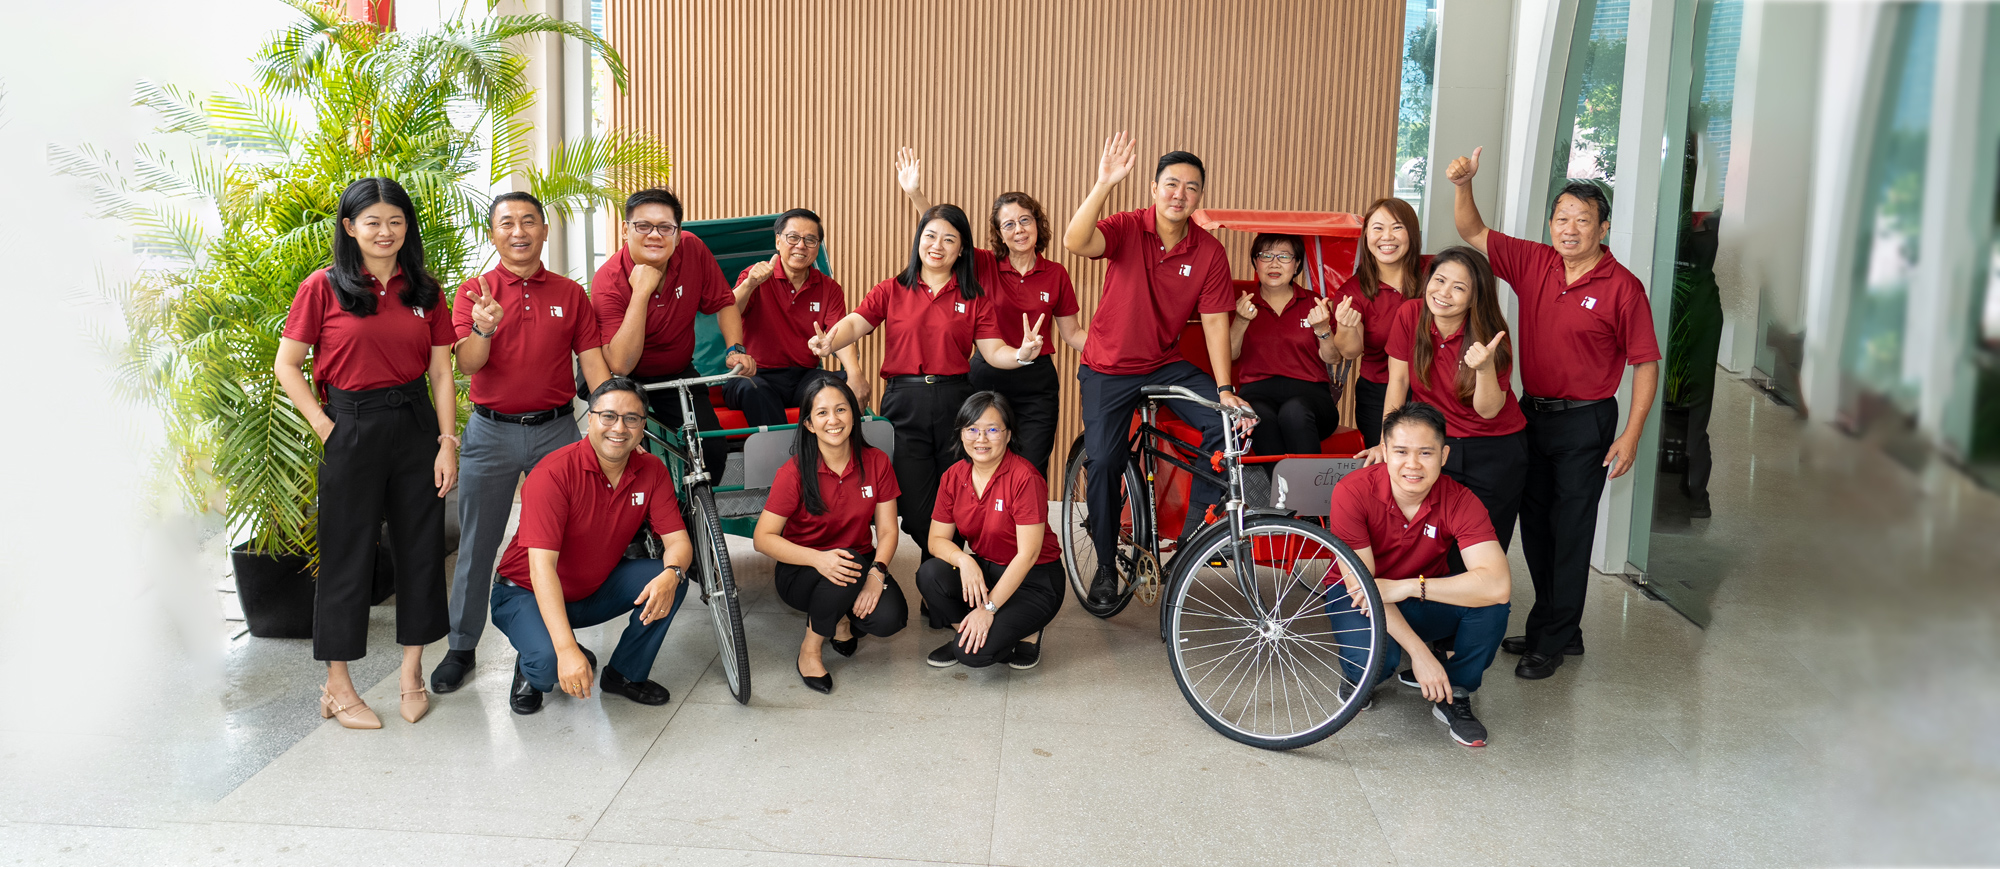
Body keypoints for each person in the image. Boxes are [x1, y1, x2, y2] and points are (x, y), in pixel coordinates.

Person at [1447, 148, 1661, 679]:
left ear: (1603, 228)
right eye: (1562, 218)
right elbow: (1473, 230)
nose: (1570, 228)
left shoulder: (1624, 288)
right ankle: (1559, 626)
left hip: (1586, 422)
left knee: (1569, 531)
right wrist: (1464, 184)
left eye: (1583, 220)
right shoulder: (1536, 262)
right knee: (1537, 527)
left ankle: (1555, 638)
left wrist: (1631, 433)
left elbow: (1646, 364)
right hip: (1530, 417)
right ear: (1551, 223)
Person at [274, 176, 457, 729]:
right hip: (350, 428)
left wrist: (447, 442)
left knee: (421, 551)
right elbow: (288, 364)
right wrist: (324, 426)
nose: (385, 231)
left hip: (416, 427)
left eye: (396, 221)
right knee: (347, 556)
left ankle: (410, 674)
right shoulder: (322, 287)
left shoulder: (424, 289)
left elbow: (443, 371)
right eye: (373, 222)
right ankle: (337, 687)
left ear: (408, 228)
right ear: (350, 227)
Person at [431, 192, 613, 695]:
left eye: (528, 221)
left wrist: (611, 411)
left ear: (544, 231)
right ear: (493, 234)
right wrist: (485, 327)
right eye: (506, 223)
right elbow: (467, 364)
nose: (518, 231)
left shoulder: (570, 294)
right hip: (490, 433)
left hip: (557, 429)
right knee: (478, 542)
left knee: (561, 539)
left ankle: (547, 643)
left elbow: (592, 361)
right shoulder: (475, 291)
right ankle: (461, 646)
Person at [1062, 132, 1253, 608]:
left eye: (1191, 187)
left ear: (1200, 197)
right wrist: (1104, 181)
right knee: (1105, 462)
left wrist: (1225, 388)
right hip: (1108, 366)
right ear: (1153, 188)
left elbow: (1214, 323)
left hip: (1164, 363)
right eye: (1171, 184)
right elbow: (1075, 240)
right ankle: (1106, 565)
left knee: (1225, 425)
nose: (1179, 194)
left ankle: (1194, 538)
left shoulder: (1208, 251)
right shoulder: (1127, 227)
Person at [807, 204, 1045, 563]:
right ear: (919, 240)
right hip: (905, 401)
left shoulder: (973, 296)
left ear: (961, 249)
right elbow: (857, 322)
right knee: (917, 508)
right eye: (930, 236)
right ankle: (942, 564)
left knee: (958, 498)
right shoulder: (892, 288)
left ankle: (938, 582)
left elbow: (994, 351)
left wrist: (1023, 354)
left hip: (956, 402)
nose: (938, 245)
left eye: (949, 239)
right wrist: (831, 341)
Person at [489, 377, 693, 715]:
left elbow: (678, 542)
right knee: (550, 661)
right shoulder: (553, 473)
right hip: (525, 592)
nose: (619, 427)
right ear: (590, 419)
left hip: (592, 589)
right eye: (608, 416)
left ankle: (624, 674)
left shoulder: (651, 470)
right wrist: (567, 649)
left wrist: (671, 574)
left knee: (671, 580)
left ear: (643, 427)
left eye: (632, 418)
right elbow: (541, 570)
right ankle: (532, 659)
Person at [1325, 401, 1513, 747]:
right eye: (1400, 451)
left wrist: (1408, 586)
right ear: (1384, 451)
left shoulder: (1461, 500)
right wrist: (1421, 654)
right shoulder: (1352, 492)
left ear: (1443, 455)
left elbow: (1497, 584)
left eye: (1425, 453)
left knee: (1492, 605)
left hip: (1416, 594)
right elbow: (1365, 588)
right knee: (1378, 663)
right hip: (1354, 595)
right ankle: (1358, 678)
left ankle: (1454, 691)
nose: (1412, 464)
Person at [894, 149, 1088, 477]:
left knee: (1030, 469)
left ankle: (1023, 528)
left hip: (1036, 383)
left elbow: (1072, 333)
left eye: (1025, 220)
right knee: (982, 467)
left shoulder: (1056, 274)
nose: (1019, 230)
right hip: (986, 377)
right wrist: (915, 193)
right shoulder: (983, 264)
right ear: (999, 233)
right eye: (1008, 224)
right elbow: (943, 234)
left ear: (1037, 223)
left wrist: (1115, 351)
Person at [752, 375, 911, 694]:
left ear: (854, 413)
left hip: (857, 563)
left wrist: (877, 574)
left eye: (841, 409)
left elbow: (889, 529)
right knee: (846, 563)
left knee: (890, 618)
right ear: (809, 424)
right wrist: (818, 559)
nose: (833, 420)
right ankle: (810, 649)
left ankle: (840, 619)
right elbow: (763, 538)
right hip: (801, 569)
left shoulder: (877, 462)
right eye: (822, 413)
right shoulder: (794, 472)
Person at [594, 188, 757, 481]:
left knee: (712, 450)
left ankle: (688, 518)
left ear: (678, 233)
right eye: (643, 226)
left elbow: (724, 302)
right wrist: (641, 291)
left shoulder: (692, 249)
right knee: (628, 459)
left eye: (665, 227)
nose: (654, 235)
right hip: (624, 376)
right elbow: (620, 364)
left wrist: (736, 347)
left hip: (676, 369)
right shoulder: (608, 280)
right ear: (625, 230)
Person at [1376, 246, 1527, 561]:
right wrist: (1388, 443)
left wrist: (1484, 369)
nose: (1443, 293)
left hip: (1492, 451)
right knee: (1429, 549)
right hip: (1435, 445)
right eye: (1439, 280)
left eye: (1458, 287)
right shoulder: (1410, 314)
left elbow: (1489, 410)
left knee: (1478, 553)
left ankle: (1481, 609)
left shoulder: (1490, 334)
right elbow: (1398, 383)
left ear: (1475, 297)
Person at [917, 392, 1065, 670]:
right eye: (972, 429)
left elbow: (1028, 555)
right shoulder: (953, 476)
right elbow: (936, 541)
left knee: (973, 656)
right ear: (961, 434)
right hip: (988, 569)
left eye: (992, 430)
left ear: (1008, 435)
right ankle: (969, 632)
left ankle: (1025, 632)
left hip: (1035, 580)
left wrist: (987, 609)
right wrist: (964, 560)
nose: (980, 439)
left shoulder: (1025, 478)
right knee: (930, 573)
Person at [722, 209, 869, 426]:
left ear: (818, 247)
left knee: (841, 384)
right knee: (753, 388)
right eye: (793, 238)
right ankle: (781, 458)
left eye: (810, 240)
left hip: (804, 376)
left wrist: (855, 375)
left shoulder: (829, 288)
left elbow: (840, 334)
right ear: (778, 241)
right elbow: (729, 309)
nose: (801, 245)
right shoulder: (754, 275)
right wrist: (749, 284)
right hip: (754, 374)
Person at [1228, 232, 1341, 455]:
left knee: (1294, 412)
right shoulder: (1242, 303)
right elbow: (1229, 355)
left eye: (1284, 256)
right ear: (1255, 262)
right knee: (1257, 415)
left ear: (1297, 263)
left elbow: (1333, 358)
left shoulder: (1313, 302)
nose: (1274, 264)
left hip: (1312, 398)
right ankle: (1281, 489)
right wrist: (1241, 320)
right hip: (1257, 394)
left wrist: (1322, 329)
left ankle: (1306, 489)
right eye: (1266, 255)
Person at [1332, 197, 1428, 448]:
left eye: (1397, 227)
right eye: (1378, 228)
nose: (1387, 237)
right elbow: (1351, 351)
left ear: (1412, 234)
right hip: (1379, 391)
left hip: (1434, 388)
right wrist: (1345, 326)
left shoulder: (1435, 273)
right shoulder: (1352, 291)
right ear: (1366, 237)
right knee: (1386, 463)